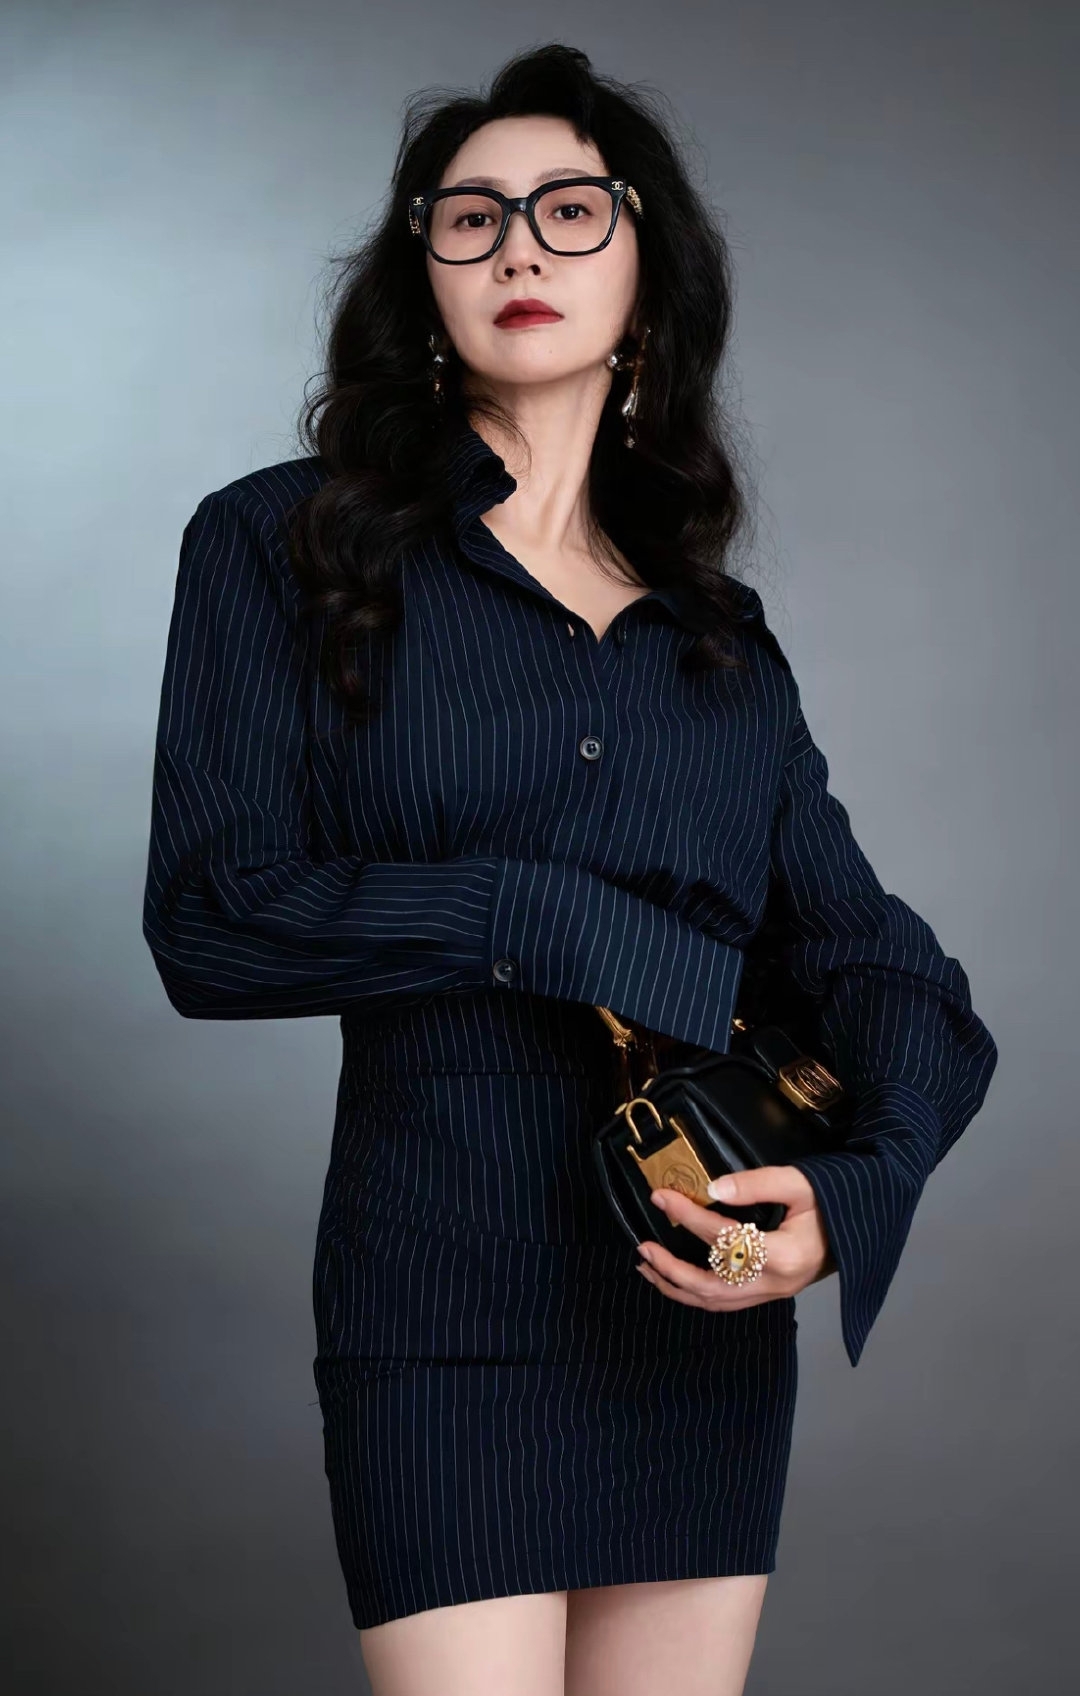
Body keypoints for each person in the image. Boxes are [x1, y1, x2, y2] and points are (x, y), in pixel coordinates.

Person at [141, 43, 998, 1696]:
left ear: (646, 281)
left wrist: (853, 1197)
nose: (518, 245)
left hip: (694, 1306)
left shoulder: (719, 639)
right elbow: (211, 922)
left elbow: (885, 970)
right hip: (439, 1303)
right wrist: (539, 917)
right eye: (470, 216)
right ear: (422, 272)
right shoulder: (275, 544)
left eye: (568, 210)